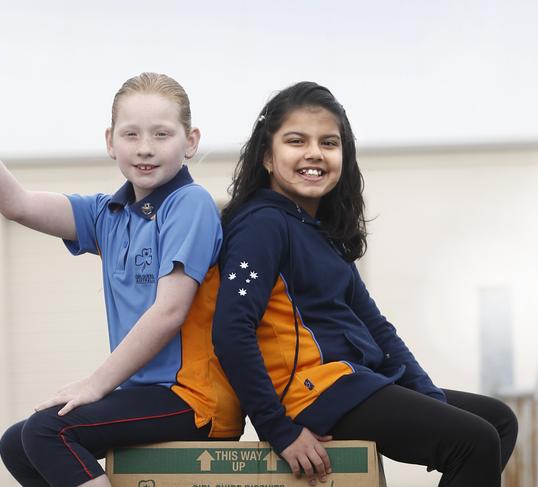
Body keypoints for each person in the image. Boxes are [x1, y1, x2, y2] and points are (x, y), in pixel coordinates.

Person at [0, 72, 243, 487]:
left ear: (190, 142)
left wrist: (95, 385)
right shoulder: (108, 214)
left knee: (47, 432)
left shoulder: (190, 204)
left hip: (194, 399)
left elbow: (169, 311)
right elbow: (17, 205)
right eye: (131, 134)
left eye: (162, 134)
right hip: (147, 395)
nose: (145, 148)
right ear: (109, 141)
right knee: (18, 445)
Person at [211, 81, 518, 487]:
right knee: (474, 440)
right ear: (268, 156)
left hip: (354, 382)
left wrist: (426, 395)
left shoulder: (322, 233)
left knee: (497, 421)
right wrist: (277, 429)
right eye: (296, 140)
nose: (314, 153)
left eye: (329, 142)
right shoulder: (261, 226)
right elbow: (231, 330)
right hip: (314, 394)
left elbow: (377, 328)